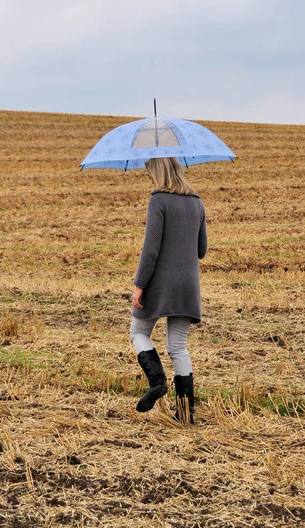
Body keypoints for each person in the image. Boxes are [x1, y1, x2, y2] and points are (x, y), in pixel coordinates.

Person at [130, 157, 207, 424]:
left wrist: (139, 285)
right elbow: (201, 251)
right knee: (177, 346)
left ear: (157, 172)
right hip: (188, 285)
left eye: (149, 171)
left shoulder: (158, 200)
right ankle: (186, 414)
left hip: (160, 284)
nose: (148, 176)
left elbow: (151, 250)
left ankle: (157, 380)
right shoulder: (197, 202)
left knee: (138, 332)